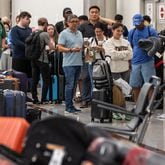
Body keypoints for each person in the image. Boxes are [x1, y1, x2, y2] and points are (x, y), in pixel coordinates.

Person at [78, 5, 111, 108]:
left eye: (96, 12)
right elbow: (80, 40)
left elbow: (113, 27)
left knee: (98, 78)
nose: (94, 14)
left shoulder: (103, 25)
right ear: (89, 13)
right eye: (92, 12)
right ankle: (85, 99)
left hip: (101, 55)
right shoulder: (83, 26)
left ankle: (96, 99)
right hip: (88, 53)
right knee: (86, 77)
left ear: (99, 14)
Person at [128, 14, 158, 102]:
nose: (137, 25)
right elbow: (130, 46)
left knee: (150, 84)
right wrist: (129, 61)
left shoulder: (150, 30)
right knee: (135, 85)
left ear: (143, 21)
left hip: (147, 61)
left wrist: (148, 47)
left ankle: (150, 106)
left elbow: (157, 44)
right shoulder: (132, 32)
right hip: (135, 62)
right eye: (135, 24)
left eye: (139, 23)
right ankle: (138, 105)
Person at [58, 14, 83, 113]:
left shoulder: (79, 33)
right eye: (73, 21)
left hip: (78, 62)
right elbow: (59, 47)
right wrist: (71, 50)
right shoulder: (64, 33)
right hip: (69, 64)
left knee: (74, 85)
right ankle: (68, 107)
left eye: (77, 21)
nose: (75, 23)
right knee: (69, 85)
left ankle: (71, 105)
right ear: (68, 23)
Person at [31, 17, 51, 104]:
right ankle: (43, 99)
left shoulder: (33, 32)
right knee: (46, 79)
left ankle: (35, 99)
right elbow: (51, 46)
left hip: (33, 59)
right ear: (45, 24)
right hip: (43, 60)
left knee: (35, 79)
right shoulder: (44, 34)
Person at [10, 11, 32, 78]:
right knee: (19, 77)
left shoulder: (29, 29)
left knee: (29, 77)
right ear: (21, 18)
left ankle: (29, 89)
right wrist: (28, 47)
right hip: (18, 58)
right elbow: (16, 42)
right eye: (27, 19)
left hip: (28, 58)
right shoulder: (14, 29)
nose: (29, 21)